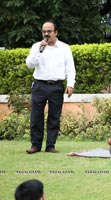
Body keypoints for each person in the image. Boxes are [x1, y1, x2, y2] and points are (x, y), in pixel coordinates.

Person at [25, 20, 76, 154]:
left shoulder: (64, 48)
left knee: (54, 117)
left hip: (56, 86)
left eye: (49, 31)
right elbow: (29, 64)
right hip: (39, 85)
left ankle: (50, 146)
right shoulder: (37, 46)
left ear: (55, 32)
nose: (46, 34)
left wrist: (70, 84)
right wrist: (39, 50)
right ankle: (35, 145)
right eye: (44, 31)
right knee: (36, 117)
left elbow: (70, 67)